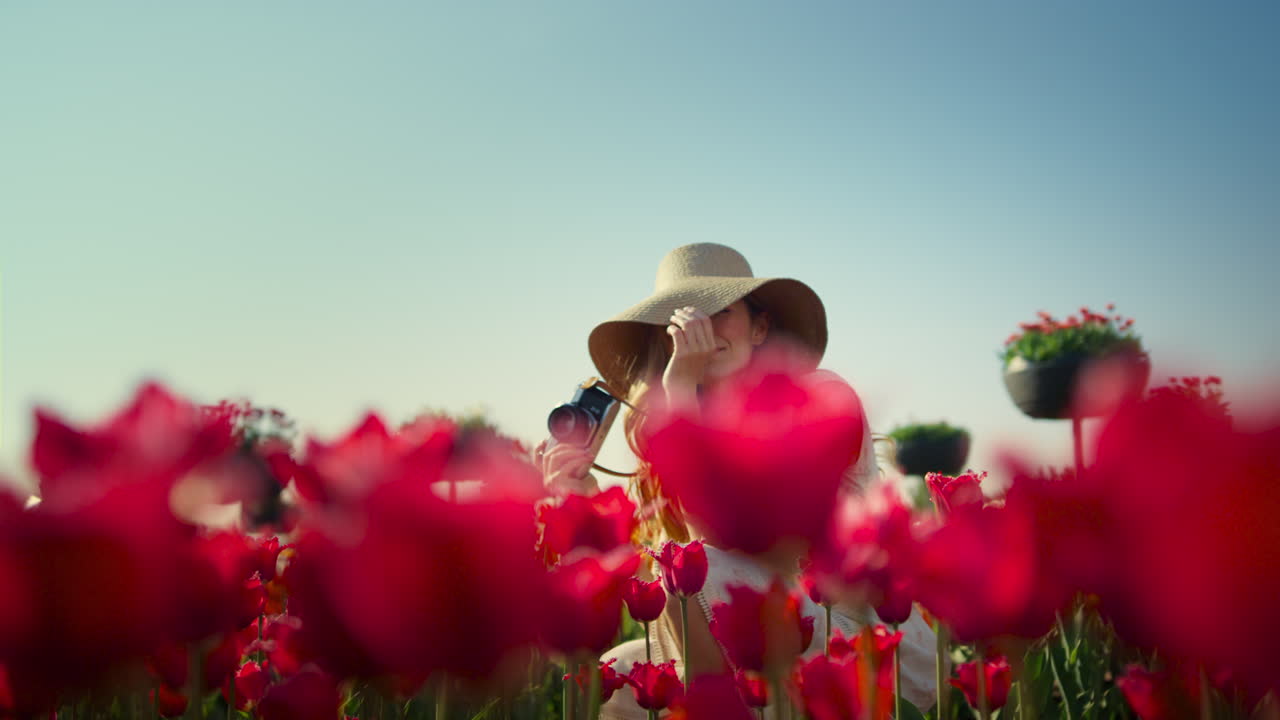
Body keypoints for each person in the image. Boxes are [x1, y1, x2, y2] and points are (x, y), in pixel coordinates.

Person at [536, 243, 935, 717]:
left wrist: (680, 391)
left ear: (760, 327)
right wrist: (582, 502)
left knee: (685, 579)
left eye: (718, 311)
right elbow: (663, 590)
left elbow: (718, 548)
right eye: (680, 320)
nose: (697, 329)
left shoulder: (821, 395)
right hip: (760, 639)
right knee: (620, 672)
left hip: (860, 640)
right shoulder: (689, 432)